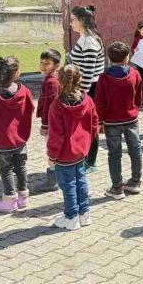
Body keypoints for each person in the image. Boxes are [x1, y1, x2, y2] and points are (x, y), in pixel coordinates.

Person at [47, 65, 99, 231]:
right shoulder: (88, 100)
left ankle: (71, 217)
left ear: (59, 81)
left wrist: (52, 155)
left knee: (68, 185)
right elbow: (94, 124)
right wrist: (87, 142)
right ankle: (84, 214)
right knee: (81, 181)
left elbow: (56, 135)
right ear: (80, 79)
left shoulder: (57, 106)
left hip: (64, 154)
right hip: (81, 151)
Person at [0, 56, 34, 213]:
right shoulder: (25, 92)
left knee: (6, 169)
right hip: (20, 138)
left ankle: (10, 200)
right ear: (16, 73)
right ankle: (23, 197)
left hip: (2, 139)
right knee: (21, 167)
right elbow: (30, 109)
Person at [95, 41, 143, 200]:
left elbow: (100, 102)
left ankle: (117, 188)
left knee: (114, 154)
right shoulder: (135, 74)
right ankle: (135, 182)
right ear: (127, 58)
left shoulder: (104, 77)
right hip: (131, 119)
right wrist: (135, 109)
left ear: (109, 58)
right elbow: (139, 96)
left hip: (111, 122)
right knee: (135, 150)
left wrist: (99, 121)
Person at [67, 5, 105, 172]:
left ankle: (91, 162)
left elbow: (88, 73)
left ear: (82, 20)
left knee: (90, 125)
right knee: (85, 125)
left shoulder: (89, 42)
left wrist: (81, 95)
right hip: (83, 88)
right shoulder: (84, 38)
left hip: (90, 89)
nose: (70, 23)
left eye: (73, 20)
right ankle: (84, 157)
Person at [35, 49, 62, 193]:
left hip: (52, 123)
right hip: (55, 122)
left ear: (56, 65)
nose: (43, 66)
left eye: (47, 63)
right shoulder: (51, 78)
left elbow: (49, 106)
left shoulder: (52, 82)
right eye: (41, 62)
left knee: (51, 150)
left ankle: (53, 180)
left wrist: (45, 125)